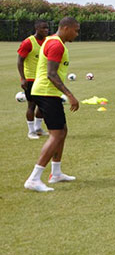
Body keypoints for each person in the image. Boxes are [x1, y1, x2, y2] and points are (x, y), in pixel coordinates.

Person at [24, 17, 80, 192]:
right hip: (47, 92)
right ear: (65, 28)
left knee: (62, 131)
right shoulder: (56, 45)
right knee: (56, 134)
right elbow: (51, 74)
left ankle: (56, 173)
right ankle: (34, 178)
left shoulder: (54, 42)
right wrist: (70, 95)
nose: (76, 34)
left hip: (48, 93)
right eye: (75, 30)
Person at [17, 20, 50, 139]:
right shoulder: (28, 42)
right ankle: (31, 131)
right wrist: (22, 78)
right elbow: (20, 60)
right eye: (43, 28)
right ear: (37, 28)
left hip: (43, 78)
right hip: (30, 78)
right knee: (31, 105)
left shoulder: (47, 41)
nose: (46, 30)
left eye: (47, 28)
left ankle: (38, 128)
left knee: (42, 105)